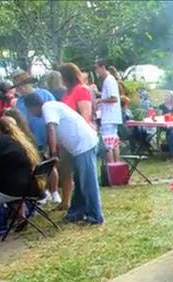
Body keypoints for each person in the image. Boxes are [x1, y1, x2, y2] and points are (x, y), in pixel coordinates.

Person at [22, 93, 104, 225]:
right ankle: (75, 213)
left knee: (88, 182)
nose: (30, 114)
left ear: (32, 107)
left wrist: (53, 153)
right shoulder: (51, 108)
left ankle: (95, 217)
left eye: (29, 110)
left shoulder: (48, 108)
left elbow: (51, 129)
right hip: (78, 147)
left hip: (84, 145)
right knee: (80, 181)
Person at [11, 70, 58, 205]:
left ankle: (55, 192)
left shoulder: (44, 94)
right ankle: (43, 192)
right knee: (36, 167)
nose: (21, 88)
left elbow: (54, 113)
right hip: (31, 140)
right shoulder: (19, 102)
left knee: (51, 164)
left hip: (47, 135)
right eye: (18, 86)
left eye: (23, 85)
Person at [57, 62, 96, 211]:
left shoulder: (81, 90)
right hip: (68, 139)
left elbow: (85, 115)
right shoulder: (67, 93)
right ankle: (66, 201)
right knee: (65, 169)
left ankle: (84, 205)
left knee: (81, 173)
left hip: (79, 138)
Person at [0, 116, 44, 209]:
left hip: (13, 191)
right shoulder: (23, 142)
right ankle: (19, 215)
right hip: (32, 188)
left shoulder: (1, 142)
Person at [95, 59, 122, 165]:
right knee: (114, 142)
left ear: (103, 67)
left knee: (108, 143)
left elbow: (113, 98)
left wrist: (100, 100)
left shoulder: (109, 80)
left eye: (97, 68)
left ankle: (111, 165)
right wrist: (98, 94)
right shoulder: (109, 80)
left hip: (109, 116)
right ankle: (117, 165)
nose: (96, 71)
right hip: (113, 116)